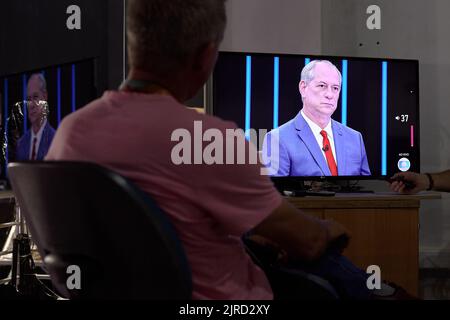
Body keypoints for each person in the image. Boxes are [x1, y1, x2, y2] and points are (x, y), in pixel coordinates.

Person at [45, 0, 408, 300]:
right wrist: (332, 228)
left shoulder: (70, 133)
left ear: (134, 40)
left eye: (336, 88)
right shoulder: (212, 139)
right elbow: (309, 241)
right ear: (206, 56)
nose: (331, 95)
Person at [262, 60, 371, 177]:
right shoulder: (276, 139)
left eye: (335, 88)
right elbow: (275, 192)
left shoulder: (355, 138)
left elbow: (367, 188)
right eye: (322, 86)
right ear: (303, 88)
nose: (330, 95)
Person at [16, 73, 55, 161]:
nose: (31, 105)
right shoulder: (21, 143)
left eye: (35, 97)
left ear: (45, 96)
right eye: (29, 99)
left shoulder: (55, 140)